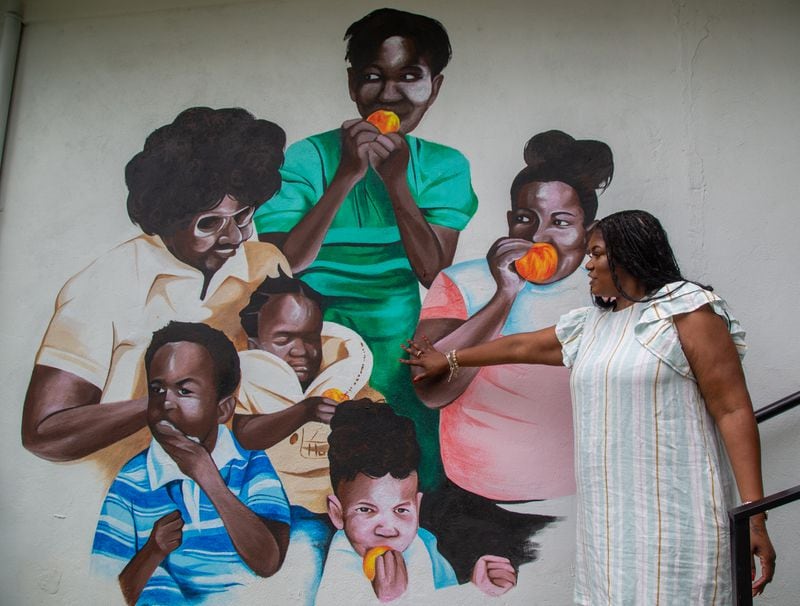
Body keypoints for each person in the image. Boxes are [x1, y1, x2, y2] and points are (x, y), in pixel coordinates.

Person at [403, 210, 776, 603]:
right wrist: (450, 360)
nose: (588, 264)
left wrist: (755, 512)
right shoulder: (592, 324)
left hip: (680, 514)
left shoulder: (686, 312)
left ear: (629, 255)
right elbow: (520, 346)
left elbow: (733, 410)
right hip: (610, 521)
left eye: (596, 254)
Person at [254, 8, 478, 491]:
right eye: (374, 77)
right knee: (311, 471)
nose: (391, 94)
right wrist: (347, 175)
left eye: (410, 77)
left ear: (434, 87)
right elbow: (284, 264)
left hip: (397, 337)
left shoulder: (443, 166)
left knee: (407, 469)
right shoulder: (307, 157)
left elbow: (432, 272)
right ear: (353, 84)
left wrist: (396, 184)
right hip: (308, 334)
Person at [22, 107, 289, 468]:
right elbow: (44, 431)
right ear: (167, 220)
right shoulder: (106, 285)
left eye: (242, 216)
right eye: (208, 224)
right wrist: (168, 402)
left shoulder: (266, 267)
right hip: (126, 495)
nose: (233, 236)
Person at [414, 129, 612, 501]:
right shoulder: (462, 282)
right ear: (509, 220)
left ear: (587, 232)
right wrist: (503, 295)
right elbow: (430, 390)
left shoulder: (604, 289)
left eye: (561, 222)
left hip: (582, 497)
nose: (539, 237)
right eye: (525, 218)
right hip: (474, 499)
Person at [91, 321, 291, 605]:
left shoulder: (250, 464)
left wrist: (205, 473)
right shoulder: (132, 480)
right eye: (157, 389)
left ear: (222, 410)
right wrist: (153, 551)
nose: (166, 403)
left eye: (184, 391)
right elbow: (104, 591)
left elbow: (268, 561)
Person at [233, 271, 382, 602]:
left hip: (328, 510)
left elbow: (381, 427)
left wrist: (357, 421)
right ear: (254, 346)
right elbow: (245, 435)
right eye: (284, 339)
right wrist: (303, 411)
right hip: (266, 511)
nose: (301, 351)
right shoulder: (246, 382)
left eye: (310, 338)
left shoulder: (345, 380)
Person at [315, 399, 517, 604]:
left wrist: (478, 588)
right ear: (337, 513)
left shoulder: (426, 546)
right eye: (366, 509)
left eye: (401, 510)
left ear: (417, 507)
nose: (387, 529)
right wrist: (390, 600)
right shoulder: (335, 565)